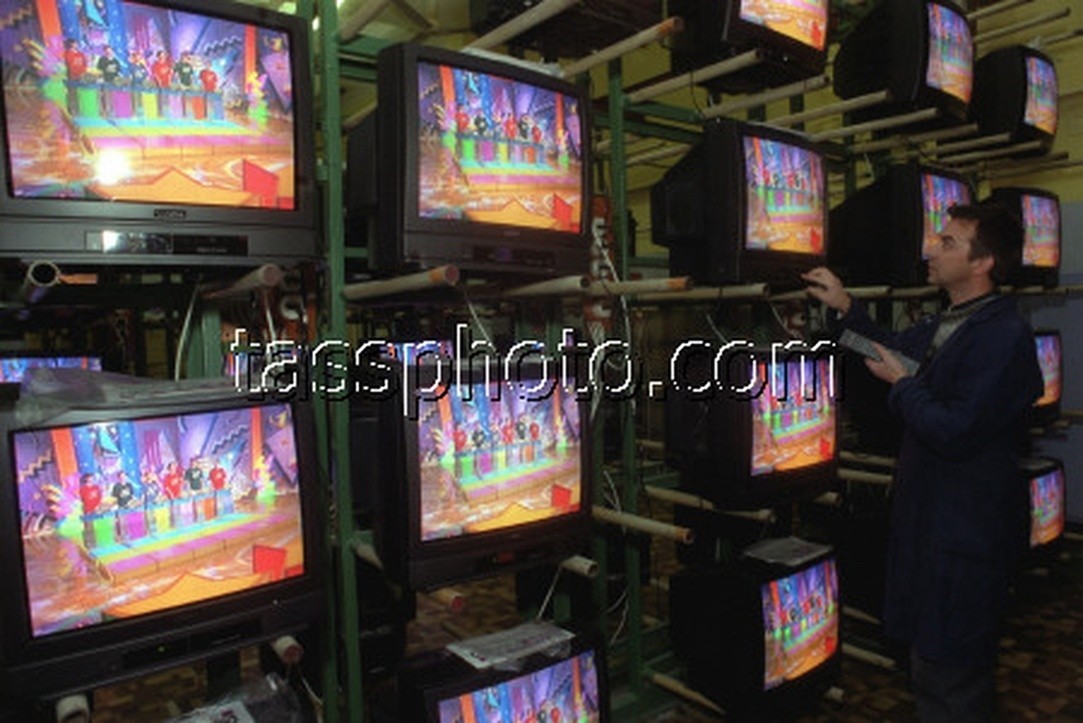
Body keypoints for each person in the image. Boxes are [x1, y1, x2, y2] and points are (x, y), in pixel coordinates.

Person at [803, 203, 1043, 721]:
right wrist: (846, 309)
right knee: (928, 665)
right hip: (934, 528)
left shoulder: (1003, 336)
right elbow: (887, 352)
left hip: (967, 536)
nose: (932, 249)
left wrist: (904, 385)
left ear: (983, 263)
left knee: (952, 674)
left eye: (948, 242)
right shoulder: (951, 321)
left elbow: (953, 428)